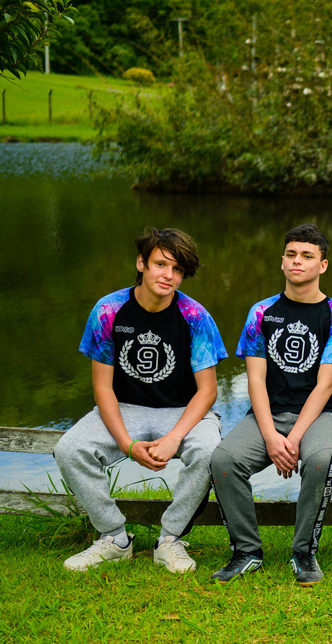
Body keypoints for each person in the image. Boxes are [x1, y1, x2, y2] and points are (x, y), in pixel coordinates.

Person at [54, 227, 225, 574]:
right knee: (69, 449)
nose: (168, 275)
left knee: (209, 453)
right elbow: (103, 388)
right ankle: (114, 539)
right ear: (141, 263)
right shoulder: (108, 311)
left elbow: (208, 391)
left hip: (183, 410)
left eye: (177, 269)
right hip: (126, 408)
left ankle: (171, 540)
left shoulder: (195, 317)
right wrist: (127, 444)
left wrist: (176, 435)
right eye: (161, 264)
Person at [210, 224, 332, 587]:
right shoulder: (261, 312)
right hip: (269, 412)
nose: (298, 261)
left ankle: (304, 553)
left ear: (322, 265)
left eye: (308, 256)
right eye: (291, 254)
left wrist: (294, 438)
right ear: (282, 261)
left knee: (320, 459)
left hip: (321, 413)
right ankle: (246, 551)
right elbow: (255, 380)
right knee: (224, 460)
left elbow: (325, 386)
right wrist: (272, 437)